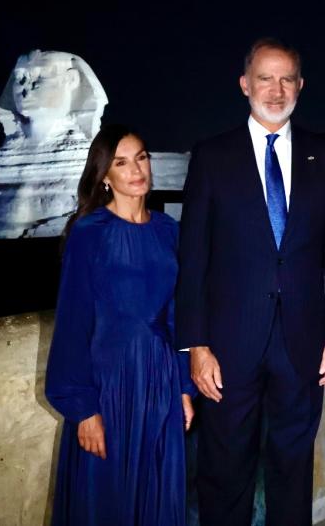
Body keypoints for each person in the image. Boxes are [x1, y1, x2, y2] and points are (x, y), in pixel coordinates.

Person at [176, 38, 325, 525]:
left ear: (300, 85)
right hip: (229, 346)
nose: (275, 91)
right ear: (244, 84)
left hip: (303, 342)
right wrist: (196, 343)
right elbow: (193, 258)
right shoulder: (212, 156)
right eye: (264, 78)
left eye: (286, 79)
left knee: (293, 465)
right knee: (224, 466)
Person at [45, 124, 196, 525]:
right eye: (122, 162)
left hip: (161, 379)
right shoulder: (90, 233)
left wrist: (183, 386)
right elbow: (74, 321)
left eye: (142, 157)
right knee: (107, 498)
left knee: (158, 495)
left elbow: (179, 313)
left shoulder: (169, 231)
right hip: (108, 384)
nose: (136, 170)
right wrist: (83, 408)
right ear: (104, 177)